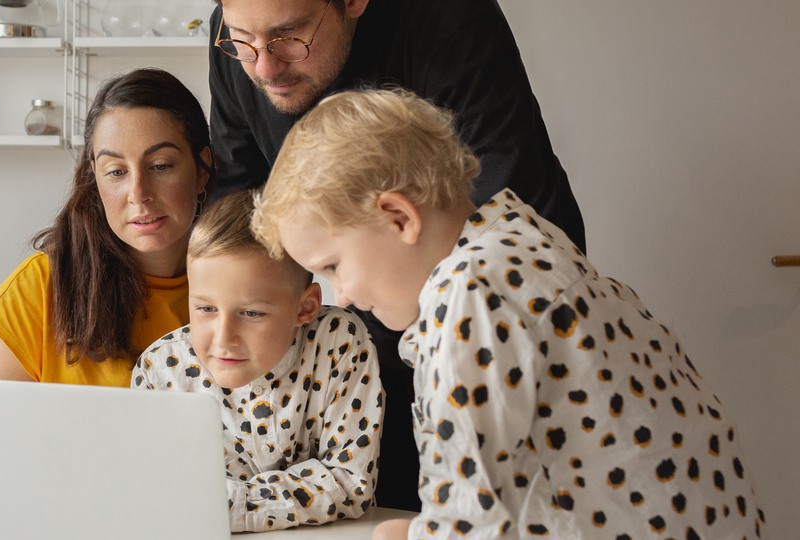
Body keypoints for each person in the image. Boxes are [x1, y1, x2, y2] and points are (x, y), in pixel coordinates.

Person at [251, 88, 766, 539]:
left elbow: (470, 514)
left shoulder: (469, 295)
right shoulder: (522, 243)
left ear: (398, 217)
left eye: (334, 266)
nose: (342, 295)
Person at [208, 0, 584, 509]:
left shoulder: (487, 297)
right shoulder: (244, 37)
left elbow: (487, 510)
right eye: (243, 41)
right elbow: (237, 209)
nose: (264, 66)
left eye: (289, 36)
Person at [132, 189, 383, 533]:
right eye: (206, 308)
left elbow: (350, 483)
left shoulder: (338, 341)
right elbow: (155, 495)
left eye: (251, 313)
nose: (223, 338)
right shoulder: (158, 371)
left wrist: (224, 506)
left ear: (305, 307)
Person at [0, 68, 213, 386]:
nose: (138, 194)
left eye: (160, 166)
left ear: (201, 170)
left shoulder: (244, 284)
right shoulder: (40, 288)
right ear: (94, 177)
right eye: (116, 171)